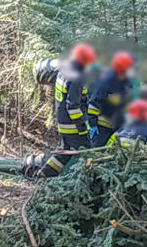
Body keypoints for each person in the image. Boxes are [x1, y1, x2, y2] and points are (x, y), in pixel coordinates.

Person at [21, 43, 97, 178]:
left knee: (65, 151)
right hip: (71, 124)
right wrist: (82, 127)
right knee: (87, 150)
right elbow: (72, 106)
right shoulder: (77, 77)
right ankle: (85, 179)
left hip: (63, 120)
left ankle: (42, 174)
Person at [87, 51, 134, 147]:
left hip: (117, 127)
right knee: (95, 152)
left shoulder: (127, 83)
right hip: (101, 128)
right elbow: (93, 104)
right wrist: (92, 124)